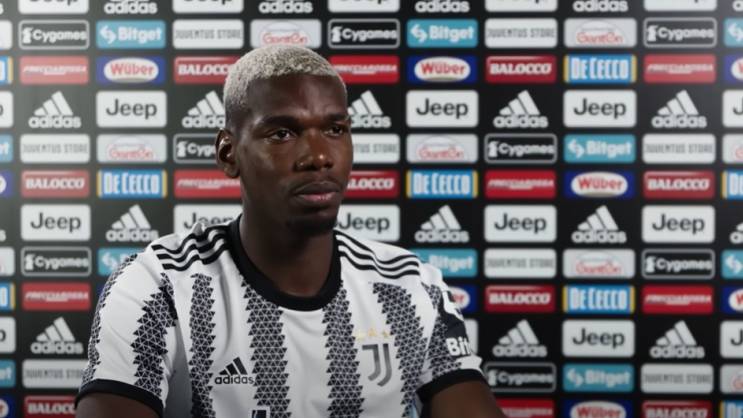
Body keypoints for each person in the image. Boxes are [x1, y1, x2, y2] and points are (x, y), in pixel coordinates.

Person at [75, 45, 505, 418]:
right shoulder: (159, 285)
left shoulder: (410, 285)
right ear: (228, 153)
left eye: (335, 129)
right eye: (282, 133)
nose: (318, 156)